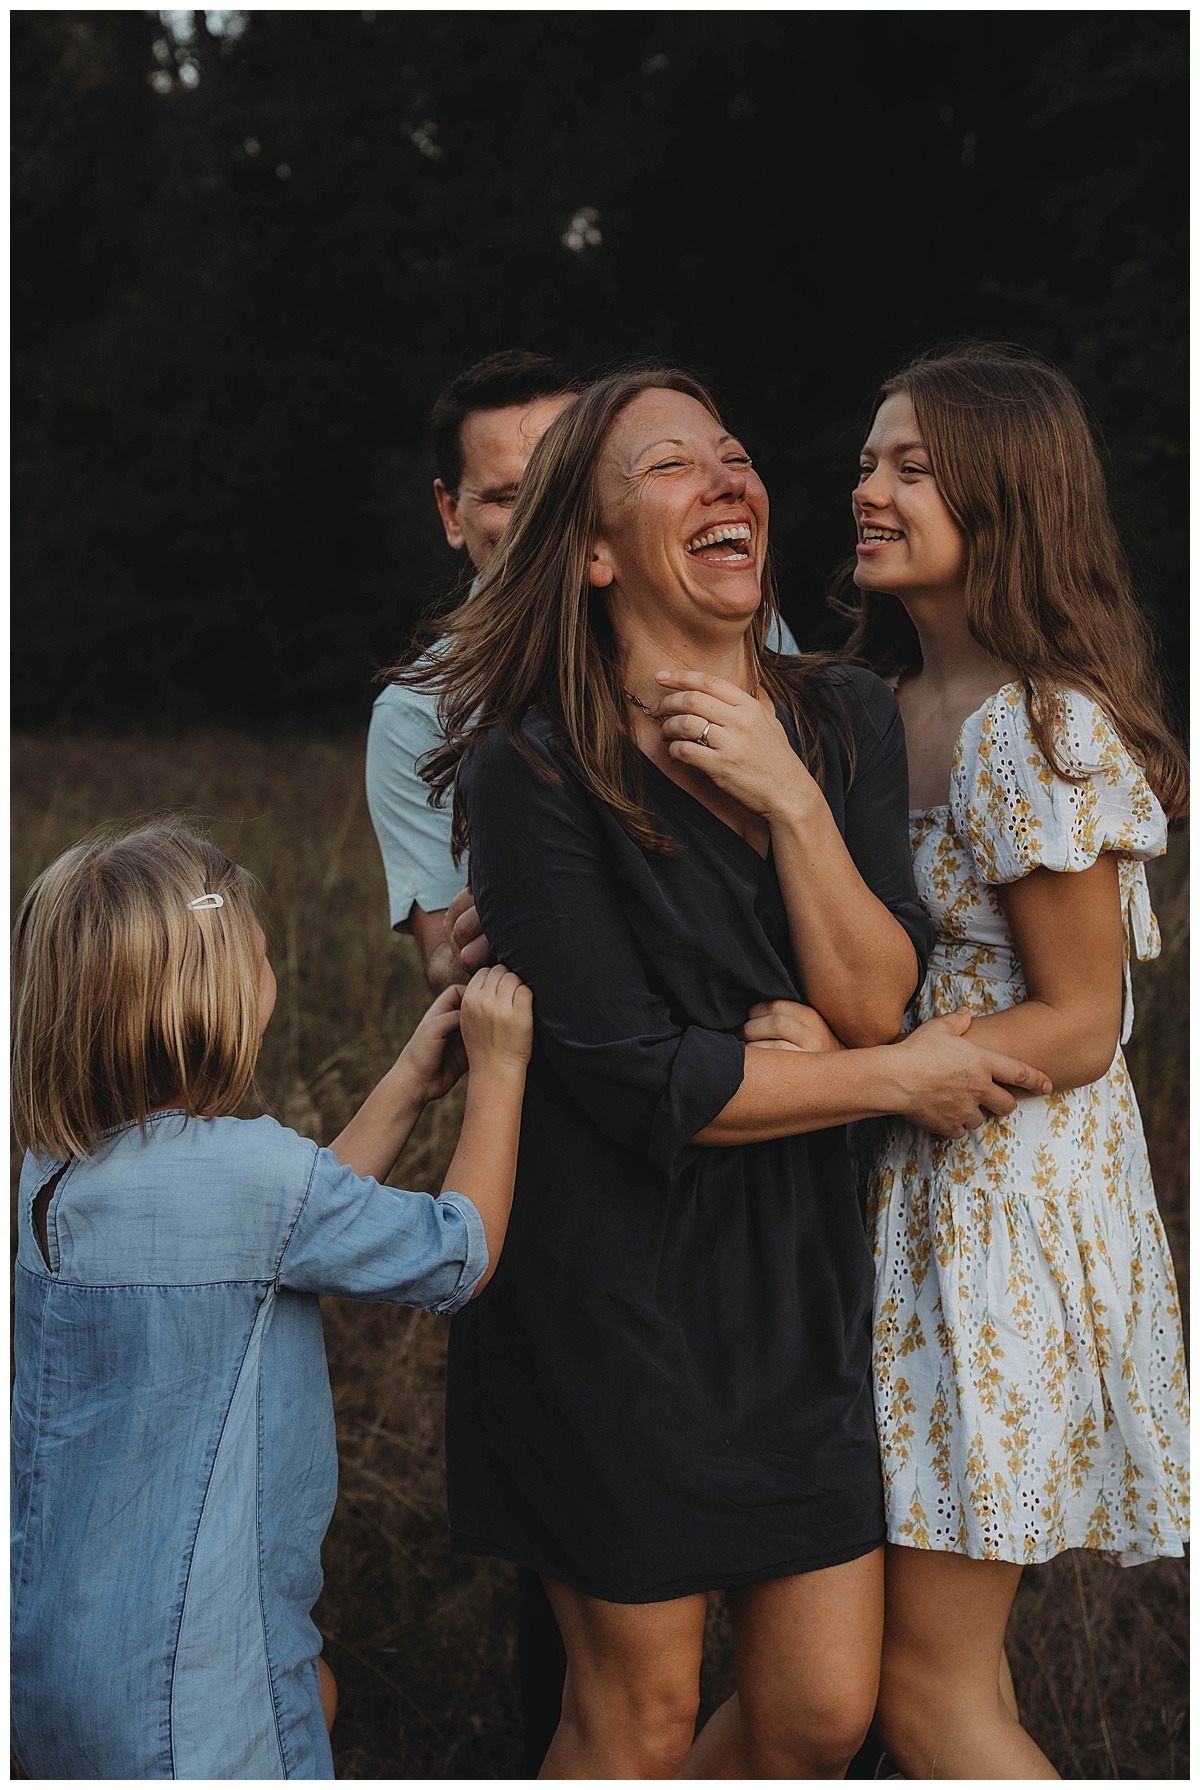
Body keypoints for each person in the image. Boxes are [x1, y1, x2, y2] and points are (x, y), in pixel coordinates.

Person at [408, 366, 1052, 1778]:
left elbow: (878, 994)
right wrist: (892, 1081)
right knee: (630, 1715)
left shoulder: (838, 722)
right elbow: (642, 1079)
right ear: (587, 550)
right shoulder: (531, 769)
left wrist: (784, 792)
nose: (727, 481)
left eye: (737, 456)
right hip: (608, 1289)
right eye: (670, 467)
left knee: (822, 1708)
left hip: (794, 1272)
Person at [754, 344, 1190, 1778]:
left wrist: (881, 1052)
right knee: (889, 1679)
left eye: (910, 467)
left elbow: (1080, 1018)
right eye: (871, 460)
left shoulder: (1034, 724)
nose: (865, 488)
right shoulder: (882, 704)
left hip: (1003, 1215)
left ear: (1005, 496)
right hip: (910, 1190)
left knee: (930, 1693)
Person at [10, 820, 532, 1781]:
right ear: (208, 1003)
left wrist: (415, 1080)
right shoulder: (247, 1177)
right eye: (260, 962)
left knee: (314, 1697)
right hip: (197, 1688)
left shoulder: (52, 1175)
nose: (272, 982)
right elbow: (459, 1253)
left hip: (59, 1660)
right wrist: (500, 1074)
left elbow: (283, 1233)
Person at [366, 349, 805, 996]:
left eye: (561, 485)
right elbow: (445, 969)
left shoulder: (731, 615)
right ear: (452, 513)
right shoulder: (414, 714)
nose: (541, 515)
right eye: (508, 496)